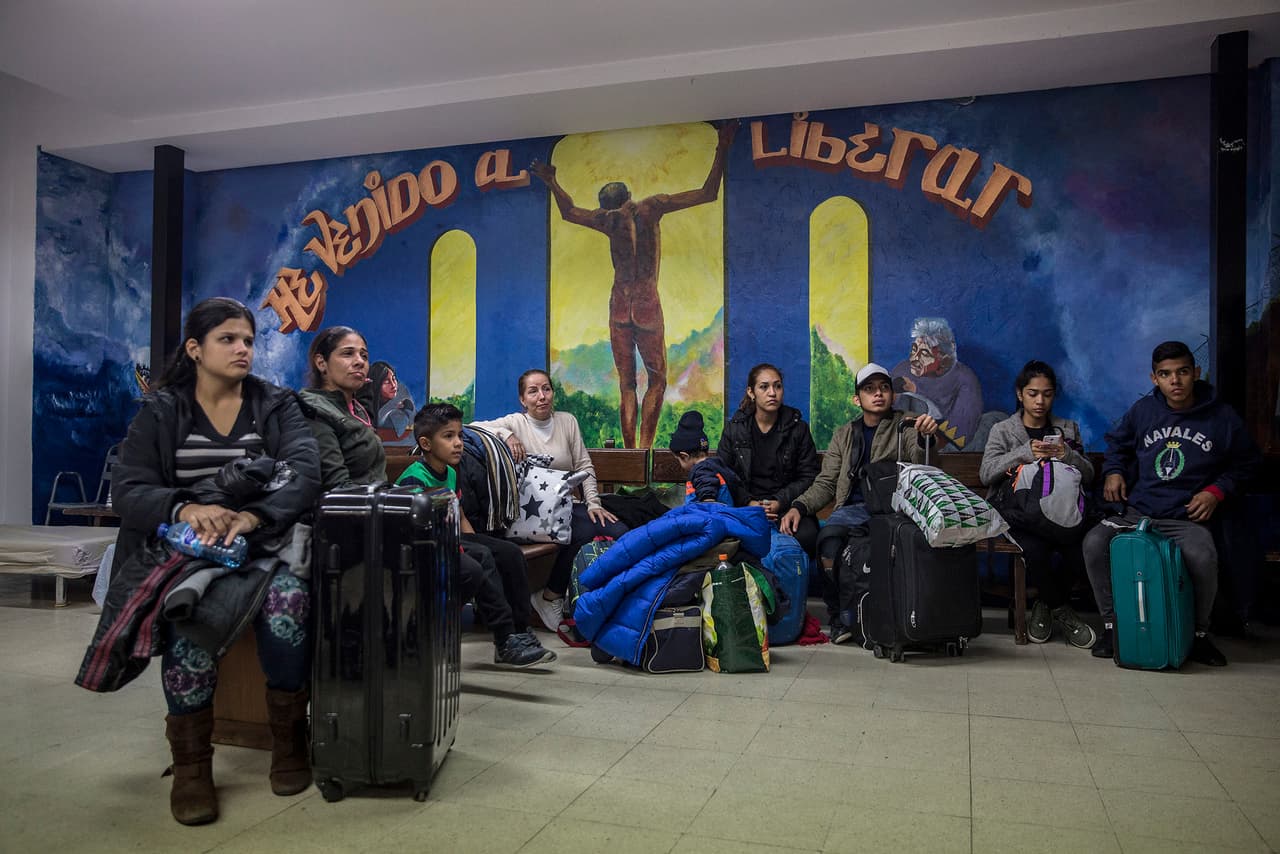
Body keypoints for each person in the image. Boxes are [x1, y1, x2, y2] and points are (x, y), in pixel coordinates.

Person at [89, 297, 322, 825]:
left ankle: (290, 741)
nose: (243, 349)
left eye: (247, 340)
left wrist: (251, 517)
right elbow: (129, 490)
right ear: (195, 349)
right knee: (187, 618)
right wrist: (186, 507)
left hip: (264, 538)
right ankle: (192, 766)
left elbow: (305, 472)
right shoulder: (162, 409)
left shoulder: (275, 403)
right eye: (228, 339)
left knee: (288, 608)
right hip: (184, 545)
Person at [529, 120, 738, 449]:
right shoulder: (651, 208)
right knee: (657, 378)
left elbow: (569, 212)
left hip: (620, 305)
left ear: (609, 205)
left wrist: (552, 181)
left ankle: (630, 455)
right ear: (628, 197)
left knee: (627, 384)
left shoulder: (606, 220)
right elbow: (707, 193)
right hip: (645, 304)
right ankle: (642, 449)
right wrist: (722, 147)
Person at [1083, 341, 1261, 666]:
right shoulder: (1144, 411)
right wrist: (1113, 472)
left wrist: (1215, 493)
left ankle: (1198, 635)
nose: (1175, 381)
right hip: (1139, 511)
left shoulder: (1221, 417)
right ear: (1154, 379)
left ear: (1196, 373)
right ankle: (1114, 629)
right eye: (1166, 374)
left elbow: (1247, 463)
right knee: (1095, 544)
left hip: (1186, 517)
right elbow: (1117, 445)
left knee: (1202, 556)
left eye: (1182, 372)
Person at [780, 363, 938, 644]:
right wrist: (799, 506)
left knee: (880, 548)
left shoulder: (909, 424)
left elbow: (925, 464)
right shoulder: (845, 434)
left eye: (884, 388)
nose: (878, 394)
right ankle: (841, 617)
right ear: (857, 398)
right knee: (828, 542)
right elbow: (826, 482)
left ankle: (885, 617)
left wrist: (928, 438)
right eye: (869, 389)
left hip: (893, 511)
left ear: (892, 395)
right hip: (851, 511)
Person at [397, 403, 555, 666]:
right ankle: (504, 640)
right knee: (481, 556)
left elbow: (459, 515)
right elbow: (414, 529)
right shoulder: (414, 479)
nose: (458, 443)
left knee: (509, 552)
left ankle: (520, 630)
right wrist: (473, 547)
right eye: (448, 437)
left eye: (459, 435)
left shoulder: (450, 471)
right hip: (428, 545)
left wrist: (476, 541)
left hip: (451, 537)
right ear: (425, 443)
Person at [470, 369, 629, 631]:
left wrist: (593, 503)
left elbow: (584, 465)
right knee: (577, 532)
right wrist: (506, 435)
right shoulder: (515, 423)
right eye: (533, 391)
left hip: (567, 506)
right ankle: (550, 597)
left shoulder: (567, 421)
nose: (541, 396)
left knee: (619, 530)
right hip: (528, 516)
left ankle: (599, 602)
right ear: (523, 399)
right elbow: (474, 427)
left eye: (546, 389)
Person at [979, 360, 1096, 648]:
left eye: (1046, 393)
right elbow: (986, 473)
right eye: (1033, 393)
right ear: (1020, 394)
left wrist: (1067, 454)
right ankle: (1062, 610)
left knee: (1078, 548)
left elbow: (1090, 475)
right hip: (1018, 513)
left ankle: (1044, 605)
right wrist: (1024, 453)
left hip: (1061, 510)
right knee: (1033, 548)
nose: (1040, 401)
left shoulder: (1067, 429)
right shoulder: (1003, 430)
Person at [717, 363, 821, 552]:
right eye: (764, 387)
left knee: (807, 537)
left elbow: (809, 476)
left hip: (785, 507)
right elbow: (724, 474)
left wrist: (780, 501)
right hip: (746, 508)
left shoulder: (798, 429)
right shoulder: (735, 429)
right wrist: (750, 503)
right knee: (727, 540)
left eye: (777, 386)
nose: (772, 392)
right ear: (751, 392)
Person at [299, 327, 386, 489]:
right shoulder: (313, 409)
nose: (360, 361)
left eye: (364, 356)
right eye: (348, 353)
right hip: (343, 509)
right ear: (321, 362)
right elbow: (336, 486)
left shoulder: (356, 409)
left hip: (371, 503)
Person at [890, 317, 984, 451]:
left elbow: (957, 438)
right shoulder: (902, 370)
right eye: (914, 349)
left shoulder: (965, 379)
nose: (914, 358)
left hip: (939, 450)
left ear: (944, 359)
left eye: (924, 354)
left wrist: (916, 392)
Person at [670, 410, 748, 505]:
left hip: (713, 518)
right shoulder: (718, 465)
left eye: (678, 460)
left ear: (684, 456)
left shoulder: (702, 470)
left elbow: (708, 499)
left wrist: (707, 502)